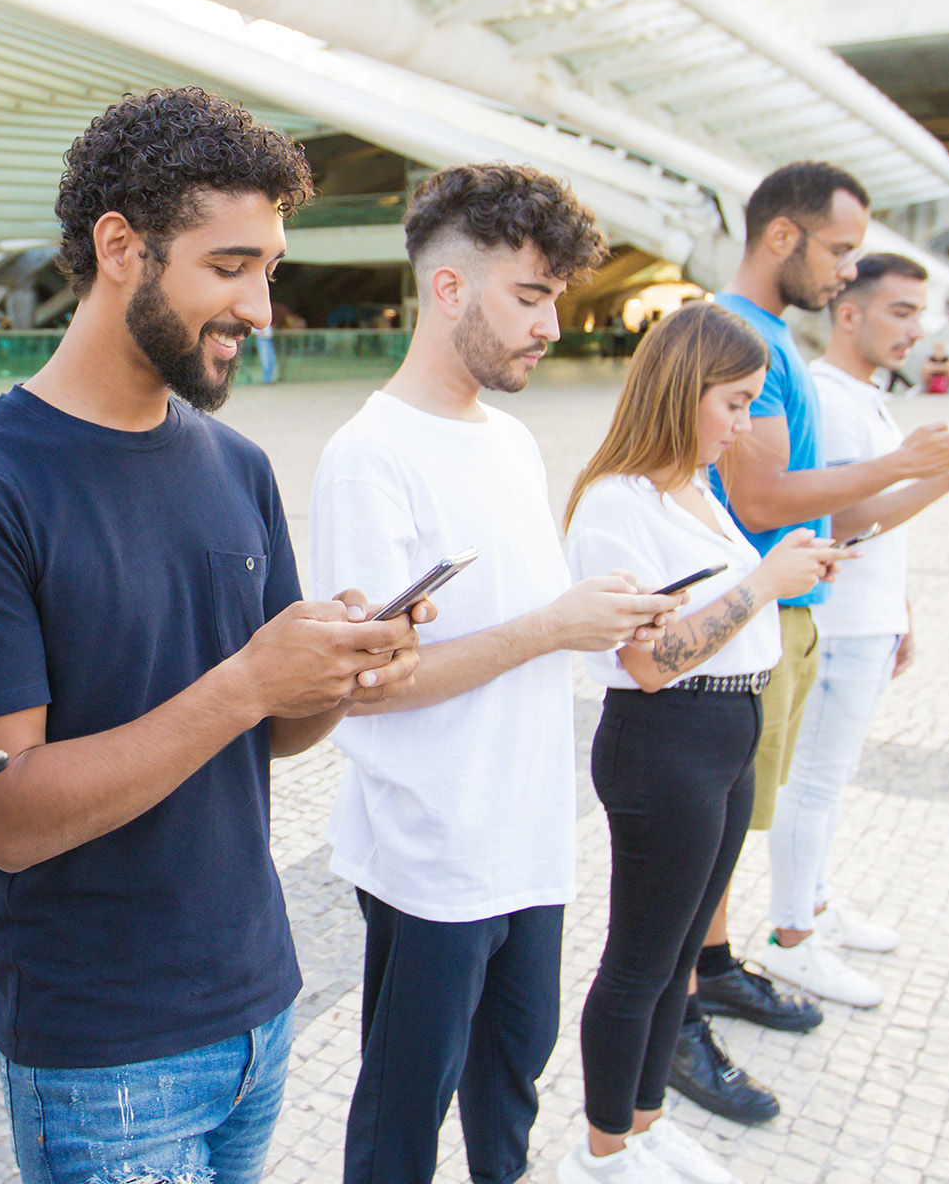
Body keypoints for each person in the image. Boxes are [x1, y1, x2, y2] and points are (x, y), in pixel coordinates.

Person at [0, 88, 425, 1184]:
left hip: (261, 1004)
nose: (262, 307)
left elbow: (266, 734)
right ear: (121, 247)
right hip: (105, 1058)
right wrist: (246, 681)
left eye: (270, 269)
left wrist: (336, 672)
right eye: (229, 266)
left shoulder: (235, 464)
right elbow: (13, 820)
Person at [309, 163, 678, 1184]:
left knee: (511, 1088)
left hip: (527, 838)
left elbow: (525, 619)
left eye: (556, 298)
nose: (551, 325)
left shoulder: (512, 442)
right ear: (450, 288)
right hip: (432, 848)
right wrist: (552, 624)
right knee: (403, 1114)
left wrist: (600, 611)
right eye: (530, 296)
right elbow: (372, 680)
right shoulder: (369, 455)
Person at [680, 162, 949, 1123]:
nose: (846, 272)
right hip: (741, 615)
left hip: (776, 610)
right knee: (711, 830)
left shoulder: (772, 338)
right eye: (840, 250)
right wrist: (901, 463)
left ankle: (713, 966)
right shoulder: (734, 335)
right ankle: (682, 1007)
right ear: (780, 239)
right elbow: (760, 497)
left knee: (730, 825)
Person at [559, 302, 849, 1184]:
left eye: (754, 403)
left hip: (725, 727)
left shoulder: (695, 488)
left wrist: (780, 563)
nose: (746, 425)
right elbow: (648, 661)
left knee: (683, 956)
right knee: (641, 959)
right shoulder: (617, 502)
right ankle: (603, 1149)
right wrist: (766, 581)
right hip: (667, 738)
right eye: (734, 403)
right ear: (684, 391)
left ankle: (643, 1124)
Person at [757, 254, 949, 1006]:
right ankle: (791, 934)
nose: (915, 329)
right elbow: (838, 520)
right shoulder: (830, 398)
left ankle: (817, 903)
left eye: (919, 314)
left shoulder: (867, 398)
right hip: (832, 623)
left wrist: (901, 608)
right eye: (900, 311)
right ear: (849, 313)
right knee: (812, 783)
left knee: (828, 782)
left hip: (866, 618)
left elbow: (876, 524)